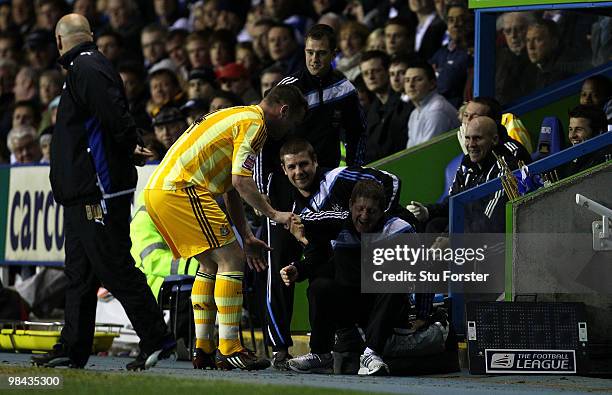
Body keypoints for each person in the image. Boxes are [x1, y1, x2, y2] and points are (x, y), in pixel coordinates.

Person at [31, 13, 174, 371]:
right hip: (82, 193)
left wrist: (130, 144)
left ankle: (156, 336)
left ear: (60, 42)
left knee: (113, 265)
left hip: (97, 192)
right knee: (79, 274)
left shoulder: (87, 68)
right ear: (89, 35)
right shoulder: (84, 69)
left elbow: (112, 113)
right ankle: (73, 346)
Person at [144, 84, 307, 371]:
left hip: (160, 190)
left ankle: (203, 349)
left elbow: (231, 190)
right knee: (232, 259)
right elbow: (241, 182)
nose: (291, 129)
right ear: (284, 111)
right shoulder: (256, 125)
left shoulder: (237, 115)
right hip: (182, 189)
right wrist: (274, 214)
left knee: (210, 265)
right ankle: (230, 347)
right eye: (293, 122)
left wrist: (245, 235)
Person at [256, 24, 367, 368]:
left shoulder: (345, 89)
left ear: (334, 54)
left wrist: (353, 177)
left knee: (321, 267)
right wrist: (263, 195)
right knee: (279, 267)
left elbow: (357, 134)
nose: (315, 59)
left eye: (321, 53)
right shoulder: (287, 88)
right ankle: (279, 347)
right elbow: (261, 140)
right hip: (284, 189)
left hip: (325, 190)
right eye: (309, 53)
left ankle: (327, 345)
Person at [282, 180, 419, 376]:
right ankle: (321, 355)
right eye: (359, 209)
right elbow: (320, 261)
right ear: (349, 205)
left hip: (388, 306)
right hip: (353, 306)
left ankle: (372, 354)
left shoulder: (401, 230)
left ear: (383, 211)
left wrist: (421, 315)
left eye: (371, 211)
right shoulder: (337, 225)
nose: (364, 216)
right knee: (320, 286)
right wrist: (298, 269)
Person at [405, 60, 459, 148]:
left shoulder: (437, 110)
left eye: (418, 79)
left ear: (432, 84)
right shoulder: (414, 113)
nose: (411, 85)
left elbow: (426, 153)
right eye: (407, 80)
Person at [559, 105, 611, 178]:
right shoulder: (568, 158)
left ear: (599, 132)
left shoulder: (606, 160)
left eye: (579, 129)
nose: (572, 135)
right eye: (570, 129)